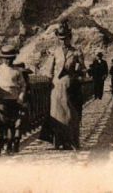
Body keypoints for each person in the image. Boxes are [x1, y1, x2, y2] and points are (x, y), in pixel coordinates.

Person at [46, 21, 86, 150]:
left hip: (71, 86)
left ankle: (72, 142)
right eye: (61, 39)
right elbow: (49, 71)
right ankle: (58, 142)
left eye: (66, 39)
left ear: (70, 38)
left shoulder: (76, 52)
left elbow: (83, 70)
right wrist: (49, 80)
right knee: (57, 114)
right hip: (57, 87)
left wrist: (77, 73)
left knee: (72, 115)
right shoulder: (54, 52)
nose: (63, 41)